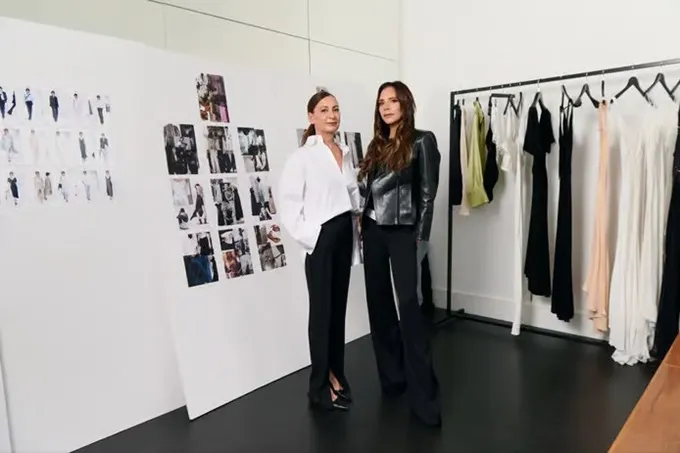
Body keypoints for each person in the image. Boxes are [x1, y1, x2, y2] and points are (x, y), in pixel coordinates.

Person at [357, 81, 442, 427]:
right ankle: (392, 380)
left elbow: (428, 196)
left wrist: (420, 241)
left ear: (405, 103)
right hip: (373, 231)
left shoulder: (423, 140)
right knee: (379, 307)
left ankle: (425, 399)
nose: (387, 107)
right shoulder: (376, 145)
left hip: (404, 233)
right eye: (381, 102)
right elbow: (367, 192)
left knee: (409, 308)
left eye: (393, 101)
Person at [278, 90, 362, 412]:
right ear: (311, 117)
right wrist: (314, 238)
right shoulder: (302, 157)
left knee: (337, 311)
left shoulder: (344, 152)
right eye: (324, 109)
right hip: (322, 238)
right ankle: (319, 386)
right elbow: (288, 206)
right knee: (321, 313)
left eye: (336, 109)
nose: (332, 115)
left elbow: (351, 194)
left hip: (344, 235)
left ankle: (336, 374)